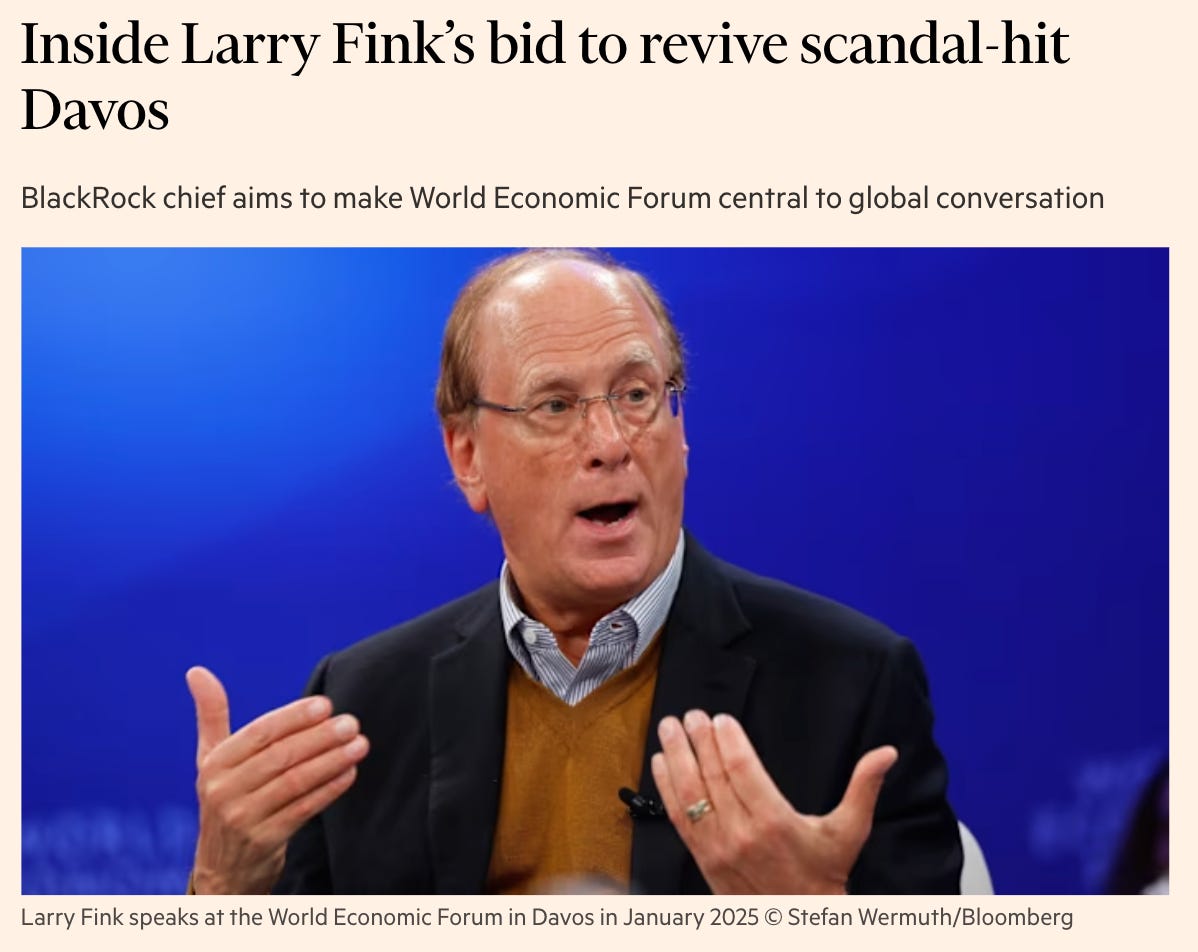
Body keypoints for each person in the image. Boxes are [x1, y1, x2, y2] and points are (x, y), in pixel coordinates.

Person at [186, 248, 962, 895]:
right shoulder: (362, 707)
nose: (610, 443)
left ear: (681, 429)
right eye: (555, 406)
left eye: (637, 394)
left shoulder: (850, 684)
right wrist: (222, 890)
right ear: (467, 456)